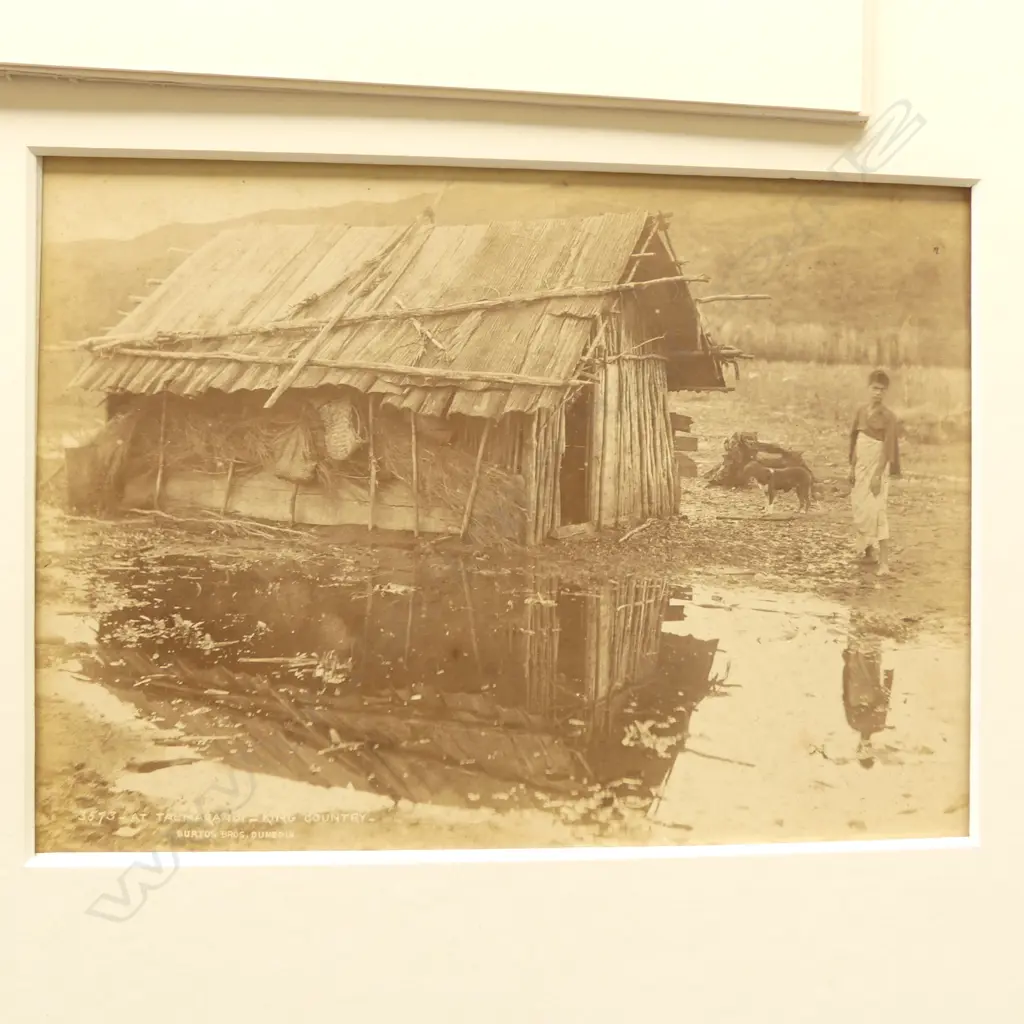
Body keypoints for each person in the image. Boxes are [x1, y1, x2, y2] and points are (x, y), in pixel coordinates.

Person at [848, 368, 901, 576]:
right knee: (861, 507)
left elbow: (887, 449)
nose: (877, 393)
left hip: (876, 466)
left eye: (882, 389)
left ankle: (884, 563)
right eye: (874, 388)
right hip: (860, 465)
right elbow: (855, 440)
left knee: (878, 510)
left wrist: (878, 474)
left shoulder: (889, 417)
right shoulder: (861, 411)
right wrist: (851, 467)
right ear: (868, 389)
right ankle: (867, 552)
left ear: (885, 392)